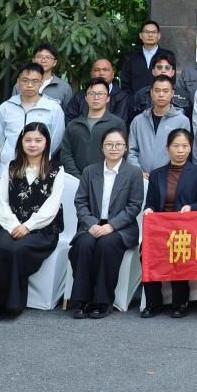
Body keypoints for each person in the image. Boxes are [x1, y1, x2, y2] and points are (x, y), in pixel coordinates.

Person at [0, 122, 69, 321]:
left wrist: (28, 226)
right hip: (9, 226)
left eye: (38, 140)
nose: (33, 144)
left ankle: (10, 305)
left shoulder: (56, 169)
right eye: (28, 140)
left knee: (17, 249)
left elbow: (52, 206)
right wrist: (14, 225)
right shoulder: (11, 167)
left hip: (42, 230)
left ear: (46, 143)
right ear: (21, 142)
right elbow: (2, 202)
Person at [67, 126, 143, 320]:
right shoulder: (90, 171)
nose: (114, 148)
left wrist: (112, 226)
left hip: (120, 228)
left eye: (118, 144)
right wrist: (91, 224)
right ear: (102, 148)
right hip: (92, 225)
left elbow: (134, 206)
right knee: (83, 245)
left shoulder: (134, 172)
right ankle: (82, 300)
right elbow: (80, 202)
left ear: (126, 148)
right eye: (109, 144)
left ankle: (102, 301)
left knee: (106, 245)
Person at [141, 128, 197, 318]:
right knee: (146, 252)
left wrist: (191, 207)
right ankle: (153, 303)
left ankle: (180, 302)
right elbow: (150, 203)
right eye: (176, 146)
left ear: (190, 148)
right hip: (160, 228)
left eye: (185, 146)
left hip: (185, 227)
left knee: (179, 251)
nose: (180, 150)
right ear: (167, 148)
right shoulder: (157, 174)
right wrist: (149, 209)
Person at [0, 62, 66, 177]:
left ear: (41, 83)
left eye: (35, 81)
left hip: (39, 170)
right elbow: (1, 138)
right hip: (8, 168)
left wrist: (37, 154)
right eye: (25, 80)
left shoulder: (53, 108)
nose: (29, 85)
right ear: (18, 82)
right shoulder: (5, 107)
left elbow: (56, 140)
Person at [59, 79, 126, 178]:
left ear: (108, 98)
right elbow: (66, 154)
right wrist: (77, 177)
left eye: (100, 94)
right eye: (91, 93)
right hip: (76, 180)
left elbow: (122, 153)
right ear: (86, 98)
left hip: (108, 178)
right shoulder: (73, 125)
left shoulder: (117, 124)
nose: (96, 97)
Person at [127, 76, 192, 174]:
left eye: (165, 91)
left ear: (172, 93)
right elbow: (132, 151)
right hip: (142, 177)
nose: (161, 94)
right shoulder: (138, 121)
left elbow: (183, 152)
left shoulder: (182, 121)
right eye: (157, 91)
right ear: (151, 93)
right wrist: (138, 172)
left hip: (170, 176)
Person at [65, 58, 132, 123]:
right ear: (91, 74)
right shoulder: (79, 96)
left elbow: (119, 123)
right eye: (97, 70)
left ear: (113, 74)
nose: (101, 73)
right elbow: (70, 121)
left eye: (105, 70)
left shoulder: (122, 97)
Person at [10, 43, 75, 111]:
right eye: (39, 57)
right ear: (33, 60)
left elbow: (68, 114)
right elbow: (12, 109)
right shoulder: (20, 85)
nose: (43, 60)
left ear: (54, 63)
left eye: (48, 57)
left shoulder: (64, 87)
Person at [121, 19, 174, 99]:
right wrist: (132, 101)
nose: (150, 35)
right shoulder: (131, 57)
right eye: (146, 32)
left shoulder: (167, 55)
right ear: (140, 35)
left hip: (161, 101)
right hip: (135, 103)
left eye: (153, 32)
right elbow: (125, 83)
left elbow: (172, 80)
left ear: (159, 35)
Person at [129, 52, 192, 117]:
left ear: (173, 72)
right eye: (159, 67)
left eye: (167, 68)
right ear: (153, 71)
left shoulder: (183, 95)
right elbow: (134, 119)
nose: (163, 71)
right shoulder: (141, 95)